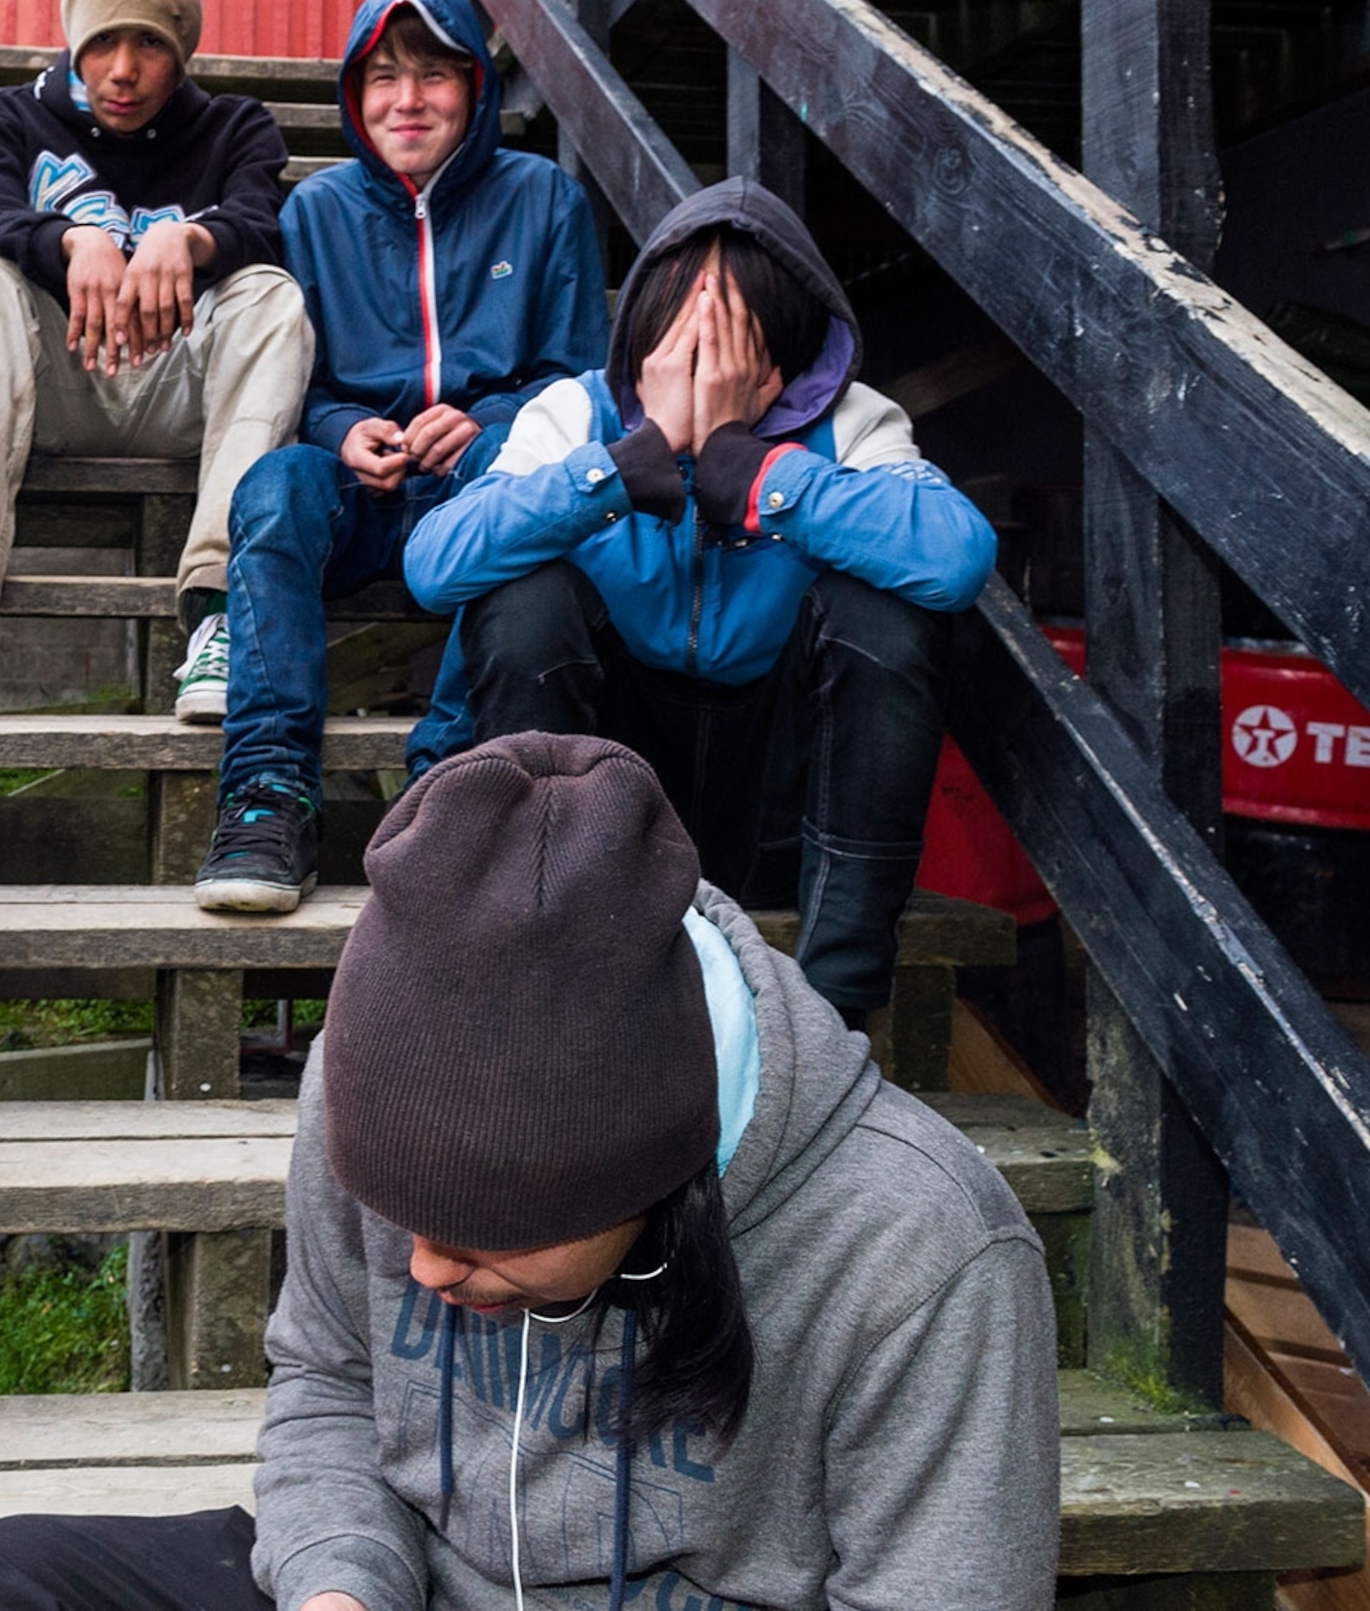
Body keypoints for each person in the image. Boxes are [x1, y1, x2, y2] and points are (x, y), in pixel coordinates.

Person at [0, 733, 1062, 1609]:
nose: (421, 1265)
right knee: (10, 1579)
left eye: (481, 1233)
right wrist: (337, 1580)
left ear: (654, 1169)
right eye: (399, 1212)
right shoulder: (370, 1088)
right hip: (424, 1577)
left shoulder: (925, 1248)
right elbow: (326, 1373)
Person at [400, 179, 999, 1027]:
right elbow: (435, 564)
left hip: (776, 791)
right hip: (610, 788)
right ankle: (542, 967)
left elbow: (955, 556)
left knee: (889, 609)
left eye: (732, 325)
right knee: (525, 593)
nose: (701, 348)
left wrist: (751, 468)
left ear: (783, 343)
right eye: (682, 317)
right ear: (643, 323)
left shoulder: (854, 421)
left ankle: (839, 1011)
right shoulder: (575, 412)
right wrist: (624, 465)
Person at [193, 0, 604, 912]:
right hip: (363, 496)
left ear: (475, 86)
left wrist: (490, 421)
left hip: (480, 485)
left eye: (432, 74)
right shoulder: (316, 212)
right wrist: (341, 432)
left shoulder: (545, 200)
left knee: (525, 484)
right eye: (382, 76)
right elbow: (302, 384)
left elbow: (580, 382)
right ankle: (268, 792)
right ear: (352, 92)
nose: (406, 99)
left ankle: (444, 778)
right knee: (272, 485)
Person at [0, 0, 311, 722]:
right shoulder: (13, 118)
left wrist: (187, 238)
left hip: (177, 386)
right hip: (55, 385)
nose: (122, 71)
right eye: (102, 40)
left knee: (271, 296)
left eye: (150, 43)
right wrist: (69, 238)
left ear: (183, 47)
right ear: (73, 37)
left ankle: (224, 611)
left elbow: (262, 223)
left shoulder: (234, 127)